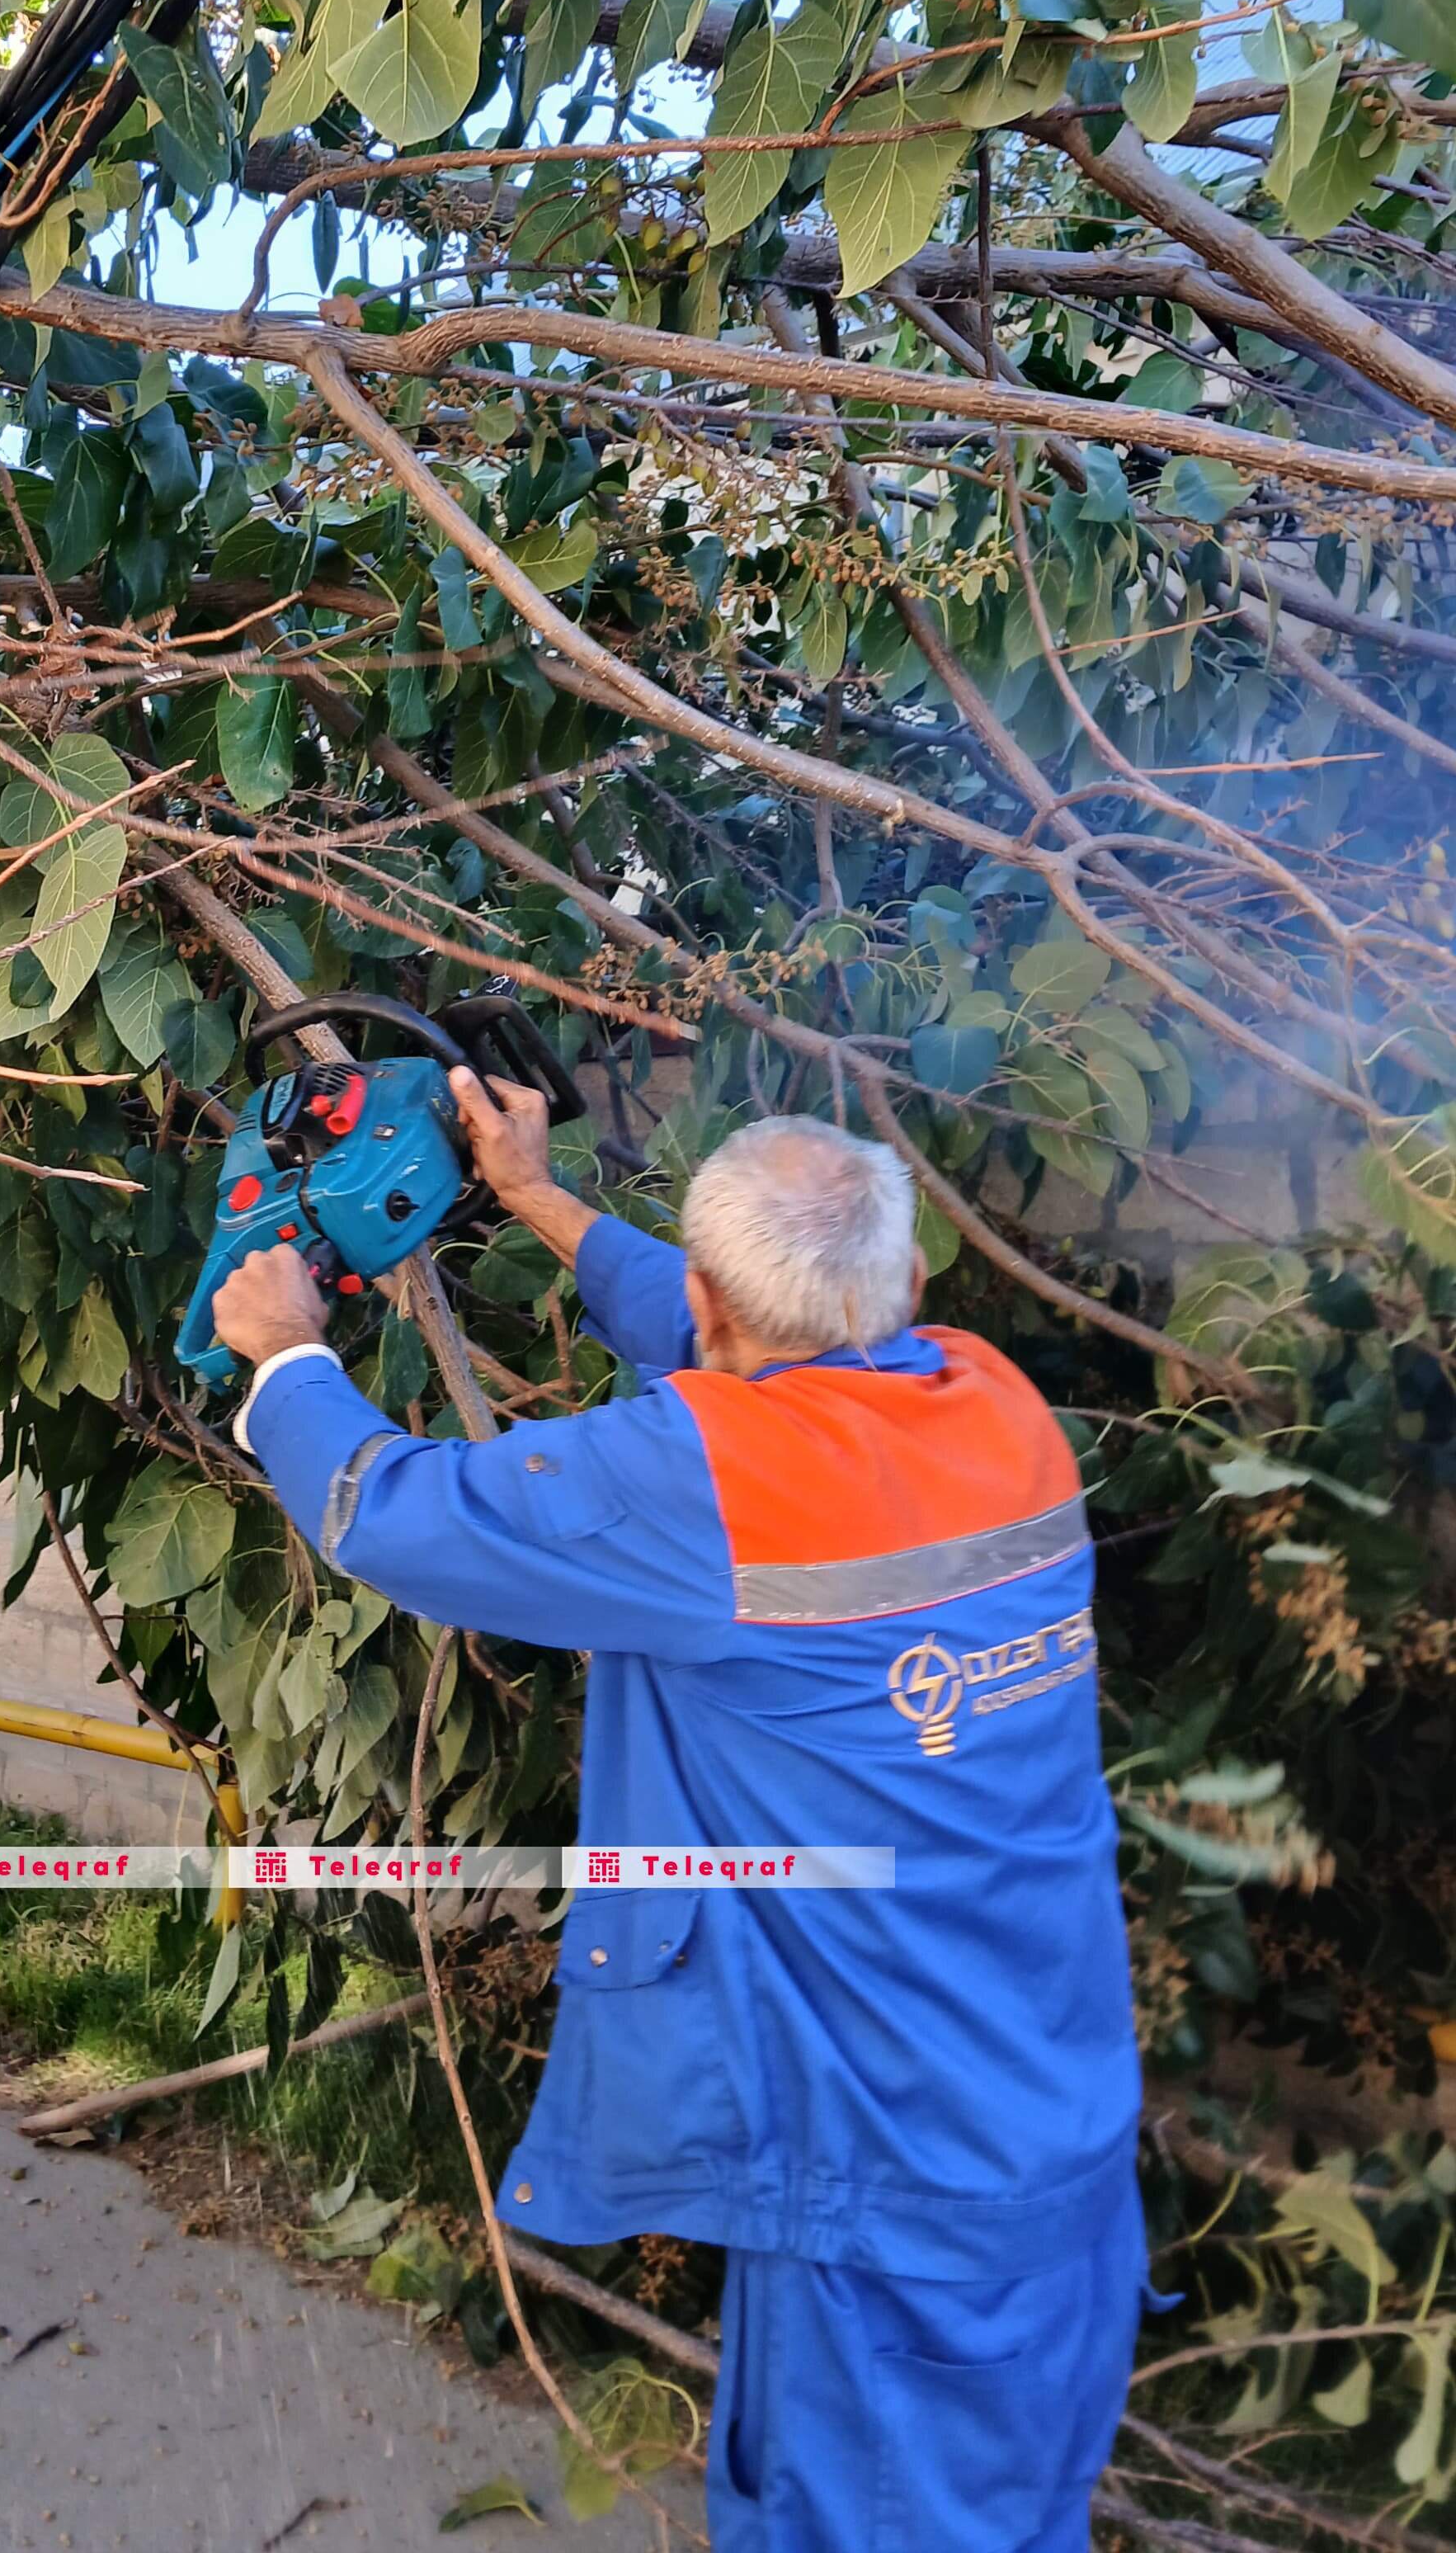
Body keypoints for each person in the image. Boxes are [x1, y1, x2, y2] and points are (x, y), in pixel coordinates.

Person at [210, 1078, 1147, 2553]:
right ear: (908, 1284)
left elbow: (396, 1511)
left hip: (890, 2197)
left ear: (714, 1303)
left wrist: (285, 1357)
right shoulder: (993, 1407)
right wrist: (535, 1197)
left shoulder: (710, 1489)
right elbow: (748, 1345)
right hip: (1047, 2139)